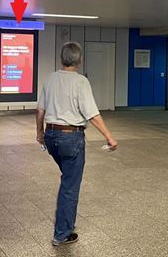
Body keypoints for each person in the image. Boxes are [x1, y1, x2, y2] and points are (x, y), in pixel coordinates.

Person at [36, 41, 118, 246]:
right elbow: (92, 114)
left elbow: (40, 110)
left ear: (61, 59)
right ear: (79, 60)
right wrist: (109, 137)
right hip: (70, 138)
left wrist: (40, 132)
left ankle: (67, 223)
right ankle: (62, 234)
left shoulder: (50, 79)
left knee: (68, 178)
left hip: (51, 136)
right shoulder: (81, 82)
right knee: (70, 186)